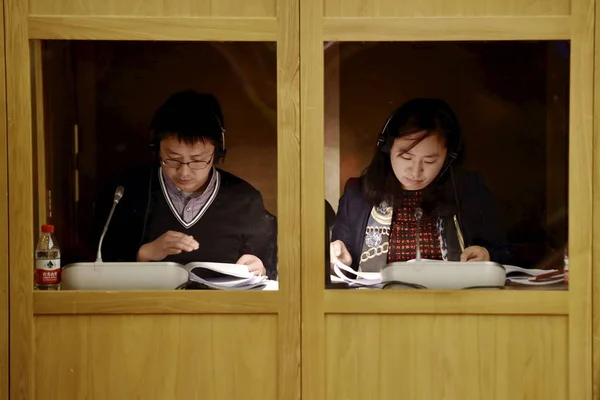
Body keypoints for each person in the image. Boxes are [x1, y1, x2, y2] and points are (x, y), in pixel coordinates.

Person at [99, 90, 273, 276]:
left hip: (222, 305)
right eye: (172, 159)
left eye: (198, 160)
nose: (184, 172)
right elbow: (98, 266)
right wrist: (144, 254)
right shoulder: (126, 192)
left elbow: (276, 262)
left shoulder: (245, 199)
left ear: (217, 152)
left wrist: (260, 268)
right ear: (156, 150)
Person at [330, 98, 513, 273]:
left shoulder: (470, 192)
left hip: (454, 302)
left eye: (430, 161)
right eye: (406, 157)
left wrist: (488, 256)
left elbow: (507, 253)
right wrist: (340, 259)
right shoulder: (357, 196)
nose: (415, 172)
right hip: (376, 304)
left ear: (449, 157)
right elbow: (342, 261)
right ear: (387, 148)